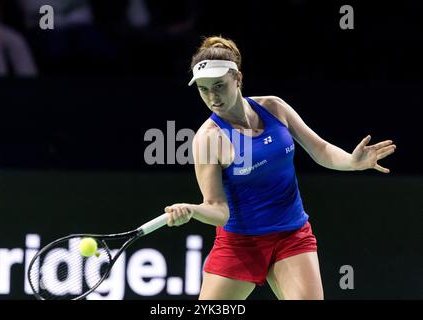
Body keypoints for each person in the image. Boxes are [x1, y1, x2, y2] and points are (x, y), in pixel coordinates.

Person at [164, 35, 397, 300]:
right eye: (203, 89)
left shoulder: (274, 108)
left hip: (291, 234)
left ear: (237, 79)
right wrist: (192, 211)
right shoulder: (208, 138)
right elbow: (218, 210)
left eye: (219, 85)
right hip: (240, 244)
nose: (212, 96)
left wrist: (352, 162)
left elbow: (320, 150)